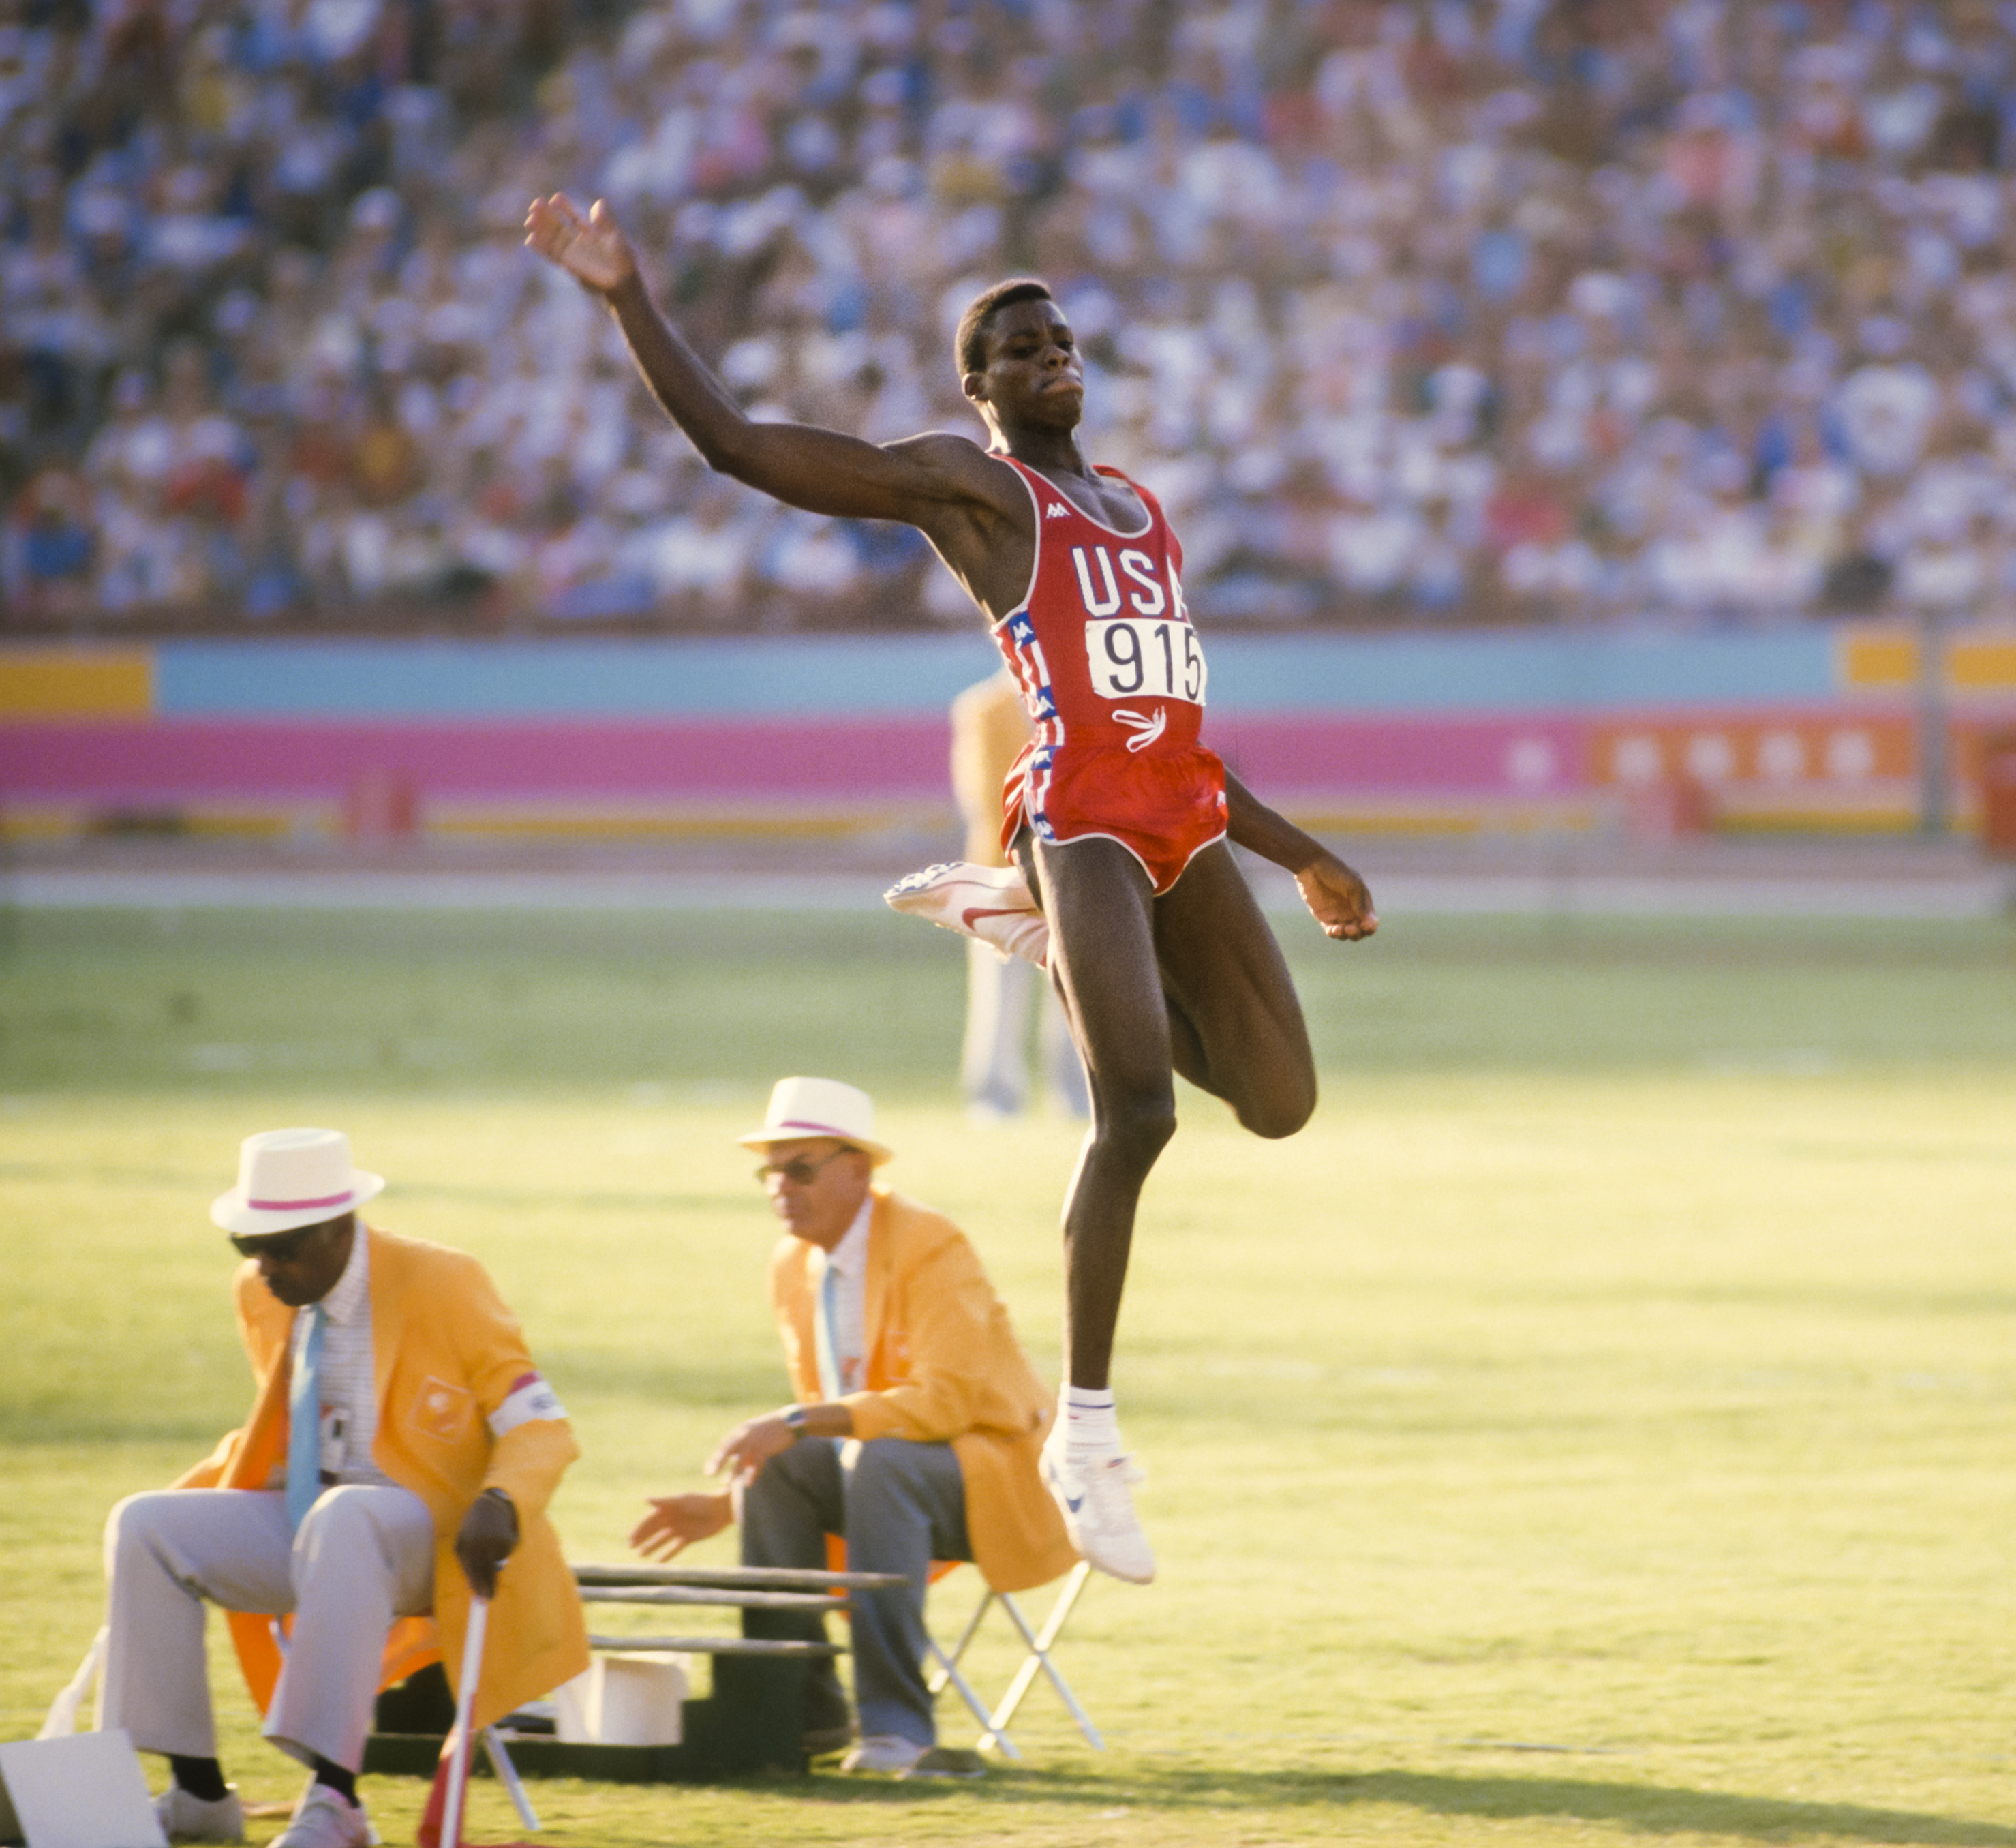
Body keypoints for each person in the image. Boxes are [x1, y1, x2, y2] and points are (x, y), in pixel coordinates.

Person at [527, 196, 1378, 1584]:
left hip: (1182, 809)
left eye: (1062, 338)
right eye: (1018, 345)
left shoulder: (1142, 512)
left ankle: (1017, 934)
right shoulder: (980, 491)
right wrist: (628, 298)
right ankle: (1085, 1436)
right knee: (1139, 1108)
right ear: (975, 387)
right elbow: (743, 447)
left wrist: (1302, 852)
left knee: (1280, 1099)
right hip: (1082, 813)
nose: (1053, 354)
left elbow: (1173, 719)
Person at [102, 1128, 586, 1848]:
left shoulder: (446, 1281)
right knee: (143, 1523)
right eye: (246, 1245)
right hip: (323, 1524)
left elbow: (541, 1424)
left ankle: (336, 1800)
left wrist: (503, 1499)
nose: (262, 1266)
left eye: (281, 1247)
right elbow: (276, 1430)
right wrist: (198, 1490)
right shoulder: (266, 1293)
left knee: (348, 1512)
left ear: (338, 1228)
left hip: (446, 1540)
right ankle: (198, 1792)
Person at [627, 1076, 1078, 1776]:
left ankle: (898, 1728)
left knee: (880, 1459)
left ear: (858, 1170)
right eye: (770, 1170)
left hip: (998, 1477)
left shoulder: (931, 1242)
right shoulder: (792, 1264)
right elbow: (821, 1436)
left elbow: (946, 1403)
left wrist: (798, 1419)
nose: (781, 1185)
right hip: (885, 1481)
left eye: (799, 1167)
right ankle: (796, 1714)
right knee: (781, 1465)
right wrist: (727, 1503)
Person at [949, 667, 1088, 1121]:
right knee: (999, 994)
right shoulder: (983, 709)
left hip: (1070, 872)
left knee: (1074, 992)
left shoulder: (1079, 704)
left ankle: (1074, 1094)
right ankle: (995, 1095)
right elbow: (985, 797)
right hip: (1002, 871)